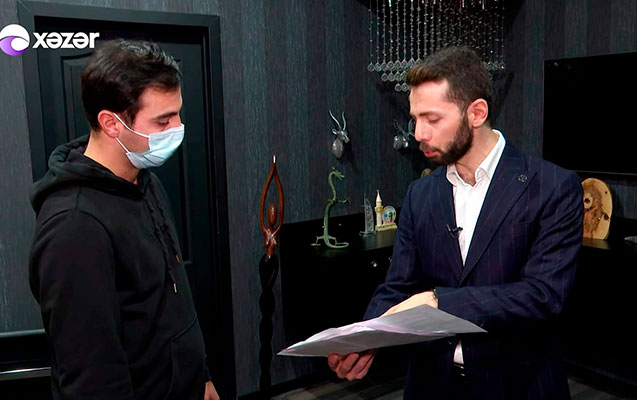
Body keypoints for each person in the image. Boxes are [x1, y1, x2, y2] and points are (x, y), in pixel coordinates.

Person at [328, 46, 583, 399]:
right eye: (415, 119)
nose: (418, 133)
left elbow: (543, 296)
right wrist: (366, 336)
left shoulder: (553, 187)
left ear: (476, 113)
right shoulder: (420, 194)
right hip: (431, 384)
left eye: (432, 119)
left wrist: (440, 301)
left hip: (519, 385)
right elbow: (398, 285)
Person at [29, 40, 219, 400]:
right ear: (111, 123)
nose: (178, 128)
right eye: (163, 120)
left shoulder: (144, 181)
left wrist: (201, 376)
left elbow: (173, 295)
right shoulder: (74, 226)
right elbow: (91, 375)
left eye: (177, 114)